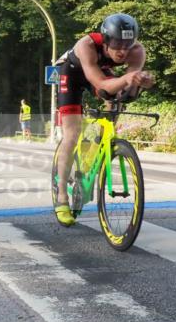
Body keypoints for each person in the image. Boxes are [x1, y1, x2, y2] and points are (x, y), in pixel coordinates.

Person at [53, 13, 155, 227]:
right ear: (106, 40)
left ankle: (98, 149)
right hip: (72, 73)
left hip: (100, 72)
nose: (122, 51)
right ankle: (62, 195)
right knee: (72, 135)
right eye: (117, 44)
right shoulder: (86, 45)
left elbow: (127, 91)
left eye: (128, 44)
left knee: (116, 99)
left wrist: (138, 83)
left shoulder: (137, 51)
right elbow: (100, 84)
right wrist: (127, 79)